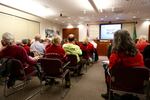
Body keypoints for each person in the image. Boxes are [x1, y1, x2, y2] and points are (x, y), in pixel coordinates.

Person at [101, 30, 144, 99]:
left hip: (119, 84)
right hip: (137, 84)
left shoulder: (115, 55)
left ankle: (109, 94)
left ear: (115, 40)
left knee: (106, 70)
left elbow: (111, 70)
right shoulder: (139, 55)